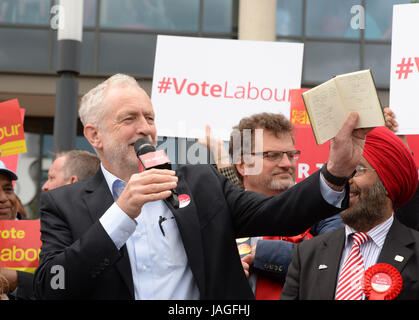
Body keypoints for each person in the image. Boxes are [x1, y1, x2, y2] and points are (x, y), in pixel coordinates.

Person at [34, 73, 369, 300]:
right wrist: (121, 213)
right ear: (94, 135)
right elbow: (52, 284)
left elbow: (277, 214)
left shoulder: (200, 182)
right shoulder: (63, 203)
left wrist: (336, 171)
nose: (145, 129)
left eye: (149, 118)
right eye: (129, 119)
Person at [198, 115, 343, 300]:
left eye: (291, 155)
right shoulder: (213, 217)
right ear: (243, 165)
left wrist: (260, 253)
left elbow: (334, 259)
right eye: (272, 155)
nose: (287, 164)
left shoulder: (321, 212)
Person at [281, 126, 419, 300]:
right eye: (341, 168)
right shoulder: (307, 253)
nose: (345, 179)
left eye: (358, 169)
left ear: (387, 182)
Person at [0, 161, 34, 300]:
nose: (2, 198)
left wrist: (17, 280)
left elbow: (60, 284)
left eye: (8, 189)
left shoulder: (40, 236)